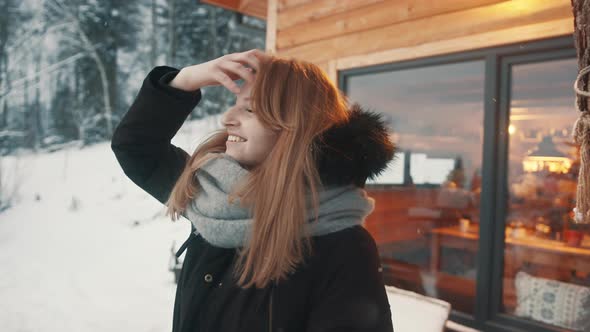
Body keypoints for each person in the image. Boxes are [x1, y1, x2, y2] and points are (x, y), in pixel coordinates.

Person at [111, 49, 396, 332]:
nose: (227, 119)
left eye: (249, 109)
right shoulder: (213, 198)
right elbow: (136, 147)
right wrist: (186, 79)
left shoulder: (344, 248)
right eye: (235, 104)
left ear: (294, 127)